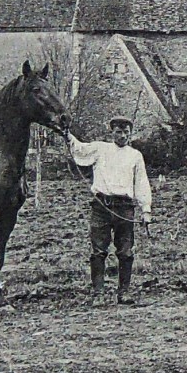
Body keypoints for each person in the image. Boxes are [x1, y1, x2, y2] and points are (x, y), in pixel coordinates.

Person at [67, 115, 153, 306]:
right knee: (98, 251)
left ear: (130, 134)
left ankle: (123, 293)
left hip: (125, 208)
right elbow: (79, 150)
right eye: (118, 132)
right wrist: (66, 133)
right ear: (112, 132)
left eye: (126, 132)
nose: (122, 136)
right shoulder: (100, 149)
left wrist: (146, 210)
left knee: (125, 252)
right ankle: (98, 293)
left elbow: (141, 184)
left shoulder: (135, 156)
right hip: (101, 206)